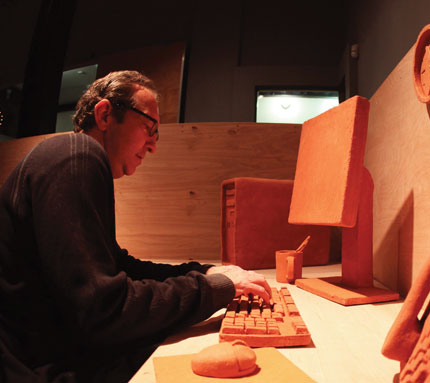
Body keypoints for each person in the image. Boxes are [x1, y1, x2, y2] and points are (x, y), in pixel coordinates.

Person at [0, 70, 272, 383]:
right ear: (104, 115)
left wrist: (206, 271)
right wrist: (213, 289)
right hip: (40, 369)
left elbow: (121, 267)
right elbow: (104, 310)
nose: (153, 145)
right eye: (149, 128)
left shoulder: (73, 161)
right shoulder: (76, 155)